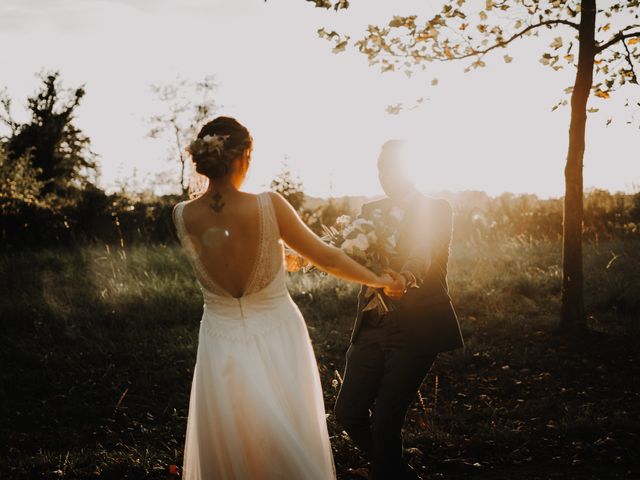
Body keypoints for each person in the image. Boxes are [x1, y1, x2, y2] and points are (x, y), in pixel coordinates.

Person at [172, 116, 397, 480]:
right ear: (244, 155)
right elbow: (327, 256)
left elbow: (225, 247)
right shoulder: (268, 205)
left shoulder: (181, 214)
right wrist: (379, 280)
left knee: (233, 433)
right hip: (276, 331)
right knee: (284, 432)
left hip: (218, 337)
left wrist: (275, 254)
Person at [334, 140, 464, 480]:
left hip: (417, 328)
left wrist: (405, 277)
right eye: (380, 169)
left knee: (386, 420)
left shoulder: (436, 209)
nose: (385, 177)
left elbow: (424, 250)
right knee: (347, 412)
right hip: (372, 324)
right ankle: (398, 473)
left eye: (392, 168)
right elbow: (352, 257)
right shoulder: (370, 212)